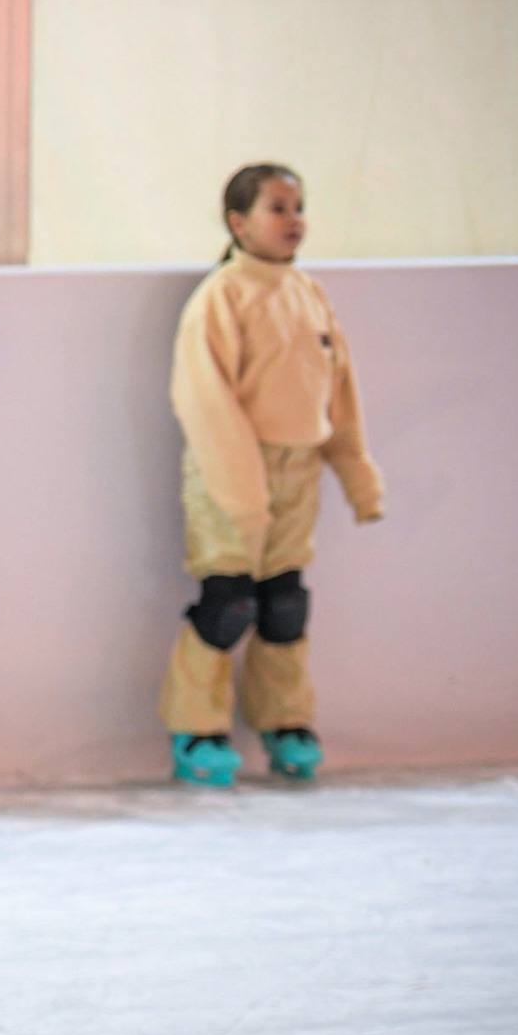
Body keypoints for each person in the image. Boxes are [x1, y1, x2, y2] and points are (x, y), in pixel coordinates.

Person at [162, 164, 385, 786]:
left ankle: (284, 719)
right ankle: (195, 728)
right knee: (228, 603)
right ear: (239, 222)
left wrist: (357, 477)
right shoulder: (221, 296)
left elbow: (339, 392)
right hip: (229, 474)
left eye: (298, 207)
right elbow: (206, 401)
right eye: (278, 208)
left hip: (298, 472)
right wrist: (243, 493)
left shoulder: (308, 293)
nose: (294, 220)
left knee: (284, 604)